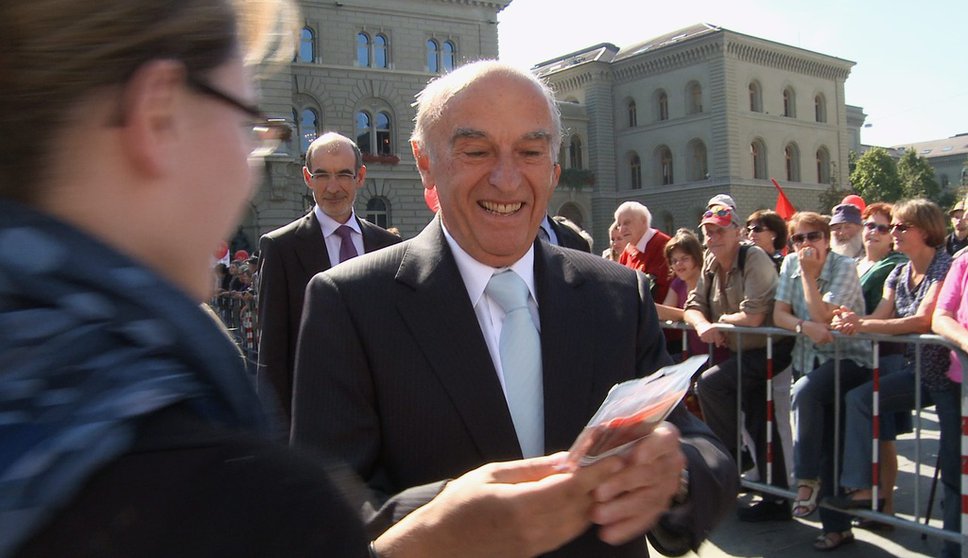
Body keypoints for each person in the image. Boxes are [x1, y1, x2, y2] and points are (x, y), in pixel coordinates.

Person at [0, 3, 660, 557]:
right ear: (158, 117)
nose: (253, 163)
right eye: (245, 122)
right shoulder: (221, 487)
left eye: (531, 151)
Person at [291, 60, 737, 557]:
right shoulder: (348, 303)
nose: (506, 180)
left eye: (529, 151)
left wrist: (673, 474)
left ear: (553, 167)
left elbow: (701, 447)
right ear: (425, 161)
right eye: (476, 151)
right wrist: (444, 522)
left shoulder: (617, 295)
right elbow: (327, 508)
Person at [257, 132, 401, 422]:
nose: (333, 187)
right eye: (322, 175)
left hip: (384, 414)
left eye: (343, 175)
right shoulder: (281, 248)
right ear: (307, 178)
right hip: (315, 418)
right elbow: (272, 354)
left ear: (360, 176)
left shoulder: (389, 246)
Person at [829, 199, 952, 531]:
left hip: (949, 376)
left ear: (926, 231)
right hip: (915, 373)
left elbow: (922, 320)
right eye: (891, 227)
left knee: (955, 460)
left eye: (900, 227)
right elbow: (882, 315)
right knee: (858, 399)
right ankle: (862, 489)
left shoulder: (945, 266)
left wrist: (862, 324)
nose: (893, 233)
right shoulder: (898, 272)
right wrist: (854, 320)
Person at [683, 204, 795, 522]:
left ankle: (735, 455)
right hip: (744, 351)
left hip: (772, 349)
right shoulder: (709, 260)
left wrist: (720, 323)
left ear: (737, 231)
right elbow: (694, 305)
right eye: (708, 232)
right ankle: (776, 499)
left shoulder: (754, 258)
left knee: (710, 383)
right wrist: (704, 325)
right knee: (761, 419)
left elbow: (756, 316)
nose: (714, 237)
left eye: (720, 230)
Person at [773, 212, 872, 550]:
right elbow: (780, 314)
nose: (805, 245)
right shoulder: (789, 264)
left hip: (848, 360)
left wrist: (810, 276)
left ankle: (805, 478)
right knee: (827, 437)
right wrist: (803, 328)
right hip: (809, 360)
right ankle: (837, 527)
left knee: (804, 394)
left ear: (826, 239)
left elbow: (822, 315)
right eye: (798, 239)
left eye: (813, 236)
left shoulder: (843, 266)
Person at [843, 202, 909, 525]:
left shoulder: (895, 265)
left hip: (886, 353)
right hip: (857, 355)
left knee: (884, 435)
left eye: (884, 228)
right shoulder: (855, 263)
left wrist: (856, 322)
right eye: (870, 225)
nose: (875, 233)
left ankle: (887, 503)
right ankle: (868, 497)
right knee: (864, 430)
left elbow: (884, 311)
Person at [931, 234, 968, 558]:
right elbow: (941, 316)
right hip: (961, 384)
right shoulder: (963, 260)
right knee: (957, 471)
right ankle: (953, 548)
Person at [616, 201, 672, 303]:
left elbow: (660, 291)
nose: (621, 230)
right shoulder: (627, 252)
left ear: (643, 221)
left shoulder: (663, 246)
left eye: (627, 223)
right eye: (619, 225)